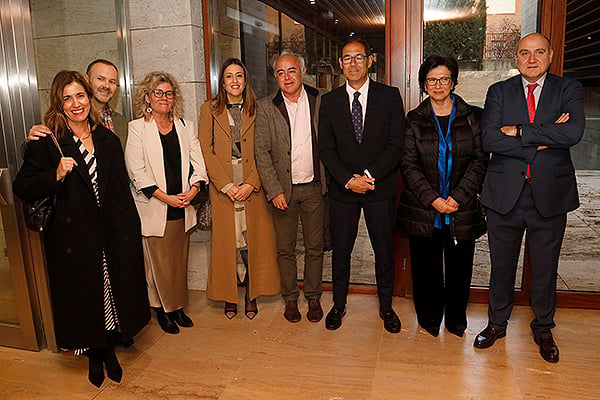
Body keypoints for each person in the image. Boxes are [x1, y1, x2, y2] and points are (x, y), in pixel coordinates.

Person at [13, 70, 150, 387]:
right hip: (73, 237)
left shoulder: (108, 139)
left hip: (112, 234)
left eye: (80, 96)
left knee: (110, 290)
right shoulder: (48, 141)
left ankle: (109, 346)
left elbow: (119, 189)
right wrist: (55, 175)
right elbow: (23, 186)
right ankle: (94, 353)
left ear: (90, 98)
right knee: (85, 296)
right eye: (68, 98)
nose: (76, 104)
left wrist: (130, 230)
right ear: (59, 104)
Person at [474, 33, 585, 363]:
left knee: (545, 267)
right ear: (516, 58)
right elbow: (490, 139)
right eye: (525, 53)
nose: (532, 58)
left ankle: (543, 327)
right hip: (504, 195)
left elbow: (572, 133)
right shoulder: (499, 92)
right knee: (501, 266)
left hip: (551, 195)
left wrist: (520, 131)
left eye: (539, 52)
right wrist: (545, 134)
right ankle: (496, 323)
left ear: (550, 56)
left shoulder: (568, 89)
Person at [319, 38, 406, 333]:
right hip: (343, 192)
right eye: (347, 58)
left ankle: (386, 307)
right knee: (341, 251)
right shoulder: (328, 101)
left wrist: (368, 176)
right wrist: (348, 180)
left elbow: (396, 145)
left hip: (378, 189)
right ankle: (338, 304)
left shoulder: (390, 96)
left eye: (359, 57)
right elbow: (326, 149)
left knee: (384, 250)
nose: (353, 63)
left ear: (370, 60)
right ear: (340, 63)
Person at [397, 55, 487, 338]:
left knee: (460, 269)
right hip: (425, 208)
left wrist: (458, 197)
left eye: (444, 79)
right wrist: (433, 199)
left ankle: (456, 322)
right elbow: (408, 164)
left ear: (454, 82)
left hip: (462, 207)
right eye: (432, 79)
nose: (438, 85)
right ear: (424, 84)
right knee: (426, 270)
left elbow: (480, 160)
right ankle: (429, 319)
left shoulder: (473, 117)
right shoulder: (414, 119)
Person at [125, 71, 208, 335]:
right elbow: (136, 171)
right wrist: (165, 197)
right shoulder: (137, 128)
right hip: (155, 205)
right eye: (158, 93)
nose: (164, 98)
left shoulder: (186, 126)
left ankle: (178, 307)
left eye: (168, 93)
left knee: (177, 261)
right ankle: (162, 310)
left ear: (174, 98)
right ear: (147, 97)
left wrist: (194, 189)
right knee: (158, 264)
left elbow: (199, 164)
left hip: (182, 206)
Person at [198, 58, 279, 319]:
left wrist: (252, 183)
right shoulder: (209, 109)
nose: (235, 81)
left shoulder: (259, 108)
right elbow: (205, 151)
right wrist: (225, 185)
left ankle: (251, 294)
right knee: (227, 243)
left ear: (246, 81)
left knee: (251, 242)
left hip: (252, 183)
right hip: (223, 185)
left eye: (239, 76)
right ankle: (229, 294)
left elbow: (266, 150)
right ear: (222, 82)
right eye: (229, 76)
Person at [255, 50, 327, 323]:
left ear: (303, 70)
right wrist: (274, 191)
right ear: (275, 77)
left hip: (313, 187)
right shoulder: (265, 107)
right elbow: (261, 152)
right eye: (280, 73)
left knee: (314, 247)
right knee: (285, 249)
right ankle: (290, 299)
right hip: (283, 190)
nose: (287, 77)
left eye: (291, 70)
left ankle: (313, 297)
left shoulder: (320, 100)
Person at [26, 59, 128, 148]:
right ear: (86, 80)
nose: (106, 85)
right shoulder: (72, 115)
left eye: (112, 81)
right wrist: (31, 142)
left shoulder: (121, 122)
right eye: (100, 79)